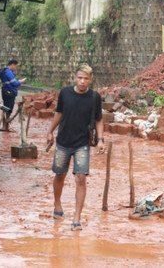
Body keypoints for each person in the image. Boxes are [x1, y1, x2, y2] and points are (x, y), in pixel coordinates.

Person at [46, 64, 105, 231]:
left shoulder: (94, 97)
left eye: (86, 79)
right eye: (79, 78)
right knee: (59, 174)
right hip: (63, 142)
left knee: (80, 178)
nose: (82, 81)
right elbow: (59, 113)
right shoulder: (65, 93)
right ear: (75, 78)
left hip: (82, 144)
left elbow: (99, 119)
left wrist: (100, 140)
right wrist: (50, 131)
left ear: (90, 80)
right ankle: (57, 205)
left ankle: (77, 217)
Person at [0, 60, 26, 127]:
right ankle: (5, 126)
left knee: (6, 109)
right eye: (16, 67)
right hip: (9, 92)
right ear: (12, 65)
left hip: (6, 92)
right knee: (8, 110)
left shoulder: (5, 71)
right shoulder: (9, 72)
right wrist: (20, 82)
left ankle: (4, 125)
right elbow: (14, 83)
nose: (15, 68)